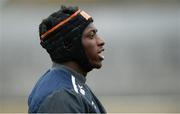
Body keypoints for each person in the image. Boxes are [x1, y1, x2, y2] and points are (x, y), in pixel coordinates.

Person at [28, 6, 106, 113]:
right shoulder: (61, 96)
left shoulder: (70, 84)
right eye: (91, 35)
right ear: (68, 45)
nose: (101, 41)